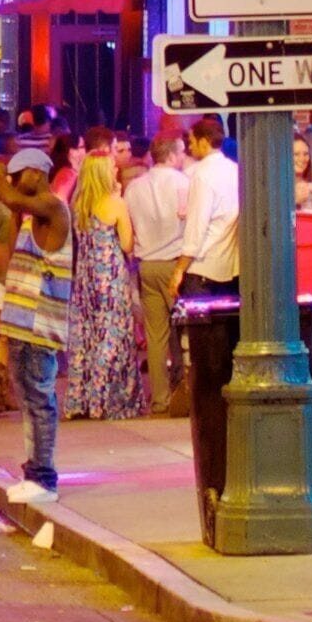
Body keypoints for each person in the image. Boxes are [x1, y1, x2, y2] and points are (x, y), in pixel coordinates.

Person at [0, 144, 76, 500]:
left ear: (36, 174)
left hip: (41, 324)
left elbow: (10, 196)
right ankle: (33, 472)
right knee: (28, 400)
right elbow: (13, 252)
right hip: (20, 323)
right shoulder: (27, 217)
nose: (11, 181)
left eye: (17, 174)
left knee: (40, 399)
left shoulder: (54, 207)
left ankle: (44, 478)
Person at [65, 132, 150, 420]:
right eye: (112, 166)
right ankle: (108, 399)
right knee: (112, 337)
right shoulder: (115, 204)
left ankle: (83, 399)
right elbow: (127, 245)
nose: (117, 169)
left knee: (87, 337)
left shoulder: (79, 206)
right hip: (110, 277)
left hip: (86, 279)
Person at [123, 126, 193, 414]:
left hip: (147, 264)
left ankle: (160, 398)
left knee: (155, 336)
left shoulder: (134, 187)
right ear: (174, 154)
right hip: (175, 263)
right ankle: (182, 391)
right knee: (182, 333)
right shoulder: (183, 183)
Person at [181, 119, 244, 296]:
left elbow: (197, 226)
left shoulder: (201, 173)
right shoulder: (235, 169)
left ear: (203, 142)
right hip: (230, 267)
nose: (190, 147)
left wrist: (180, 269)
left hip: (203, 267)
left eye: (192, 142)